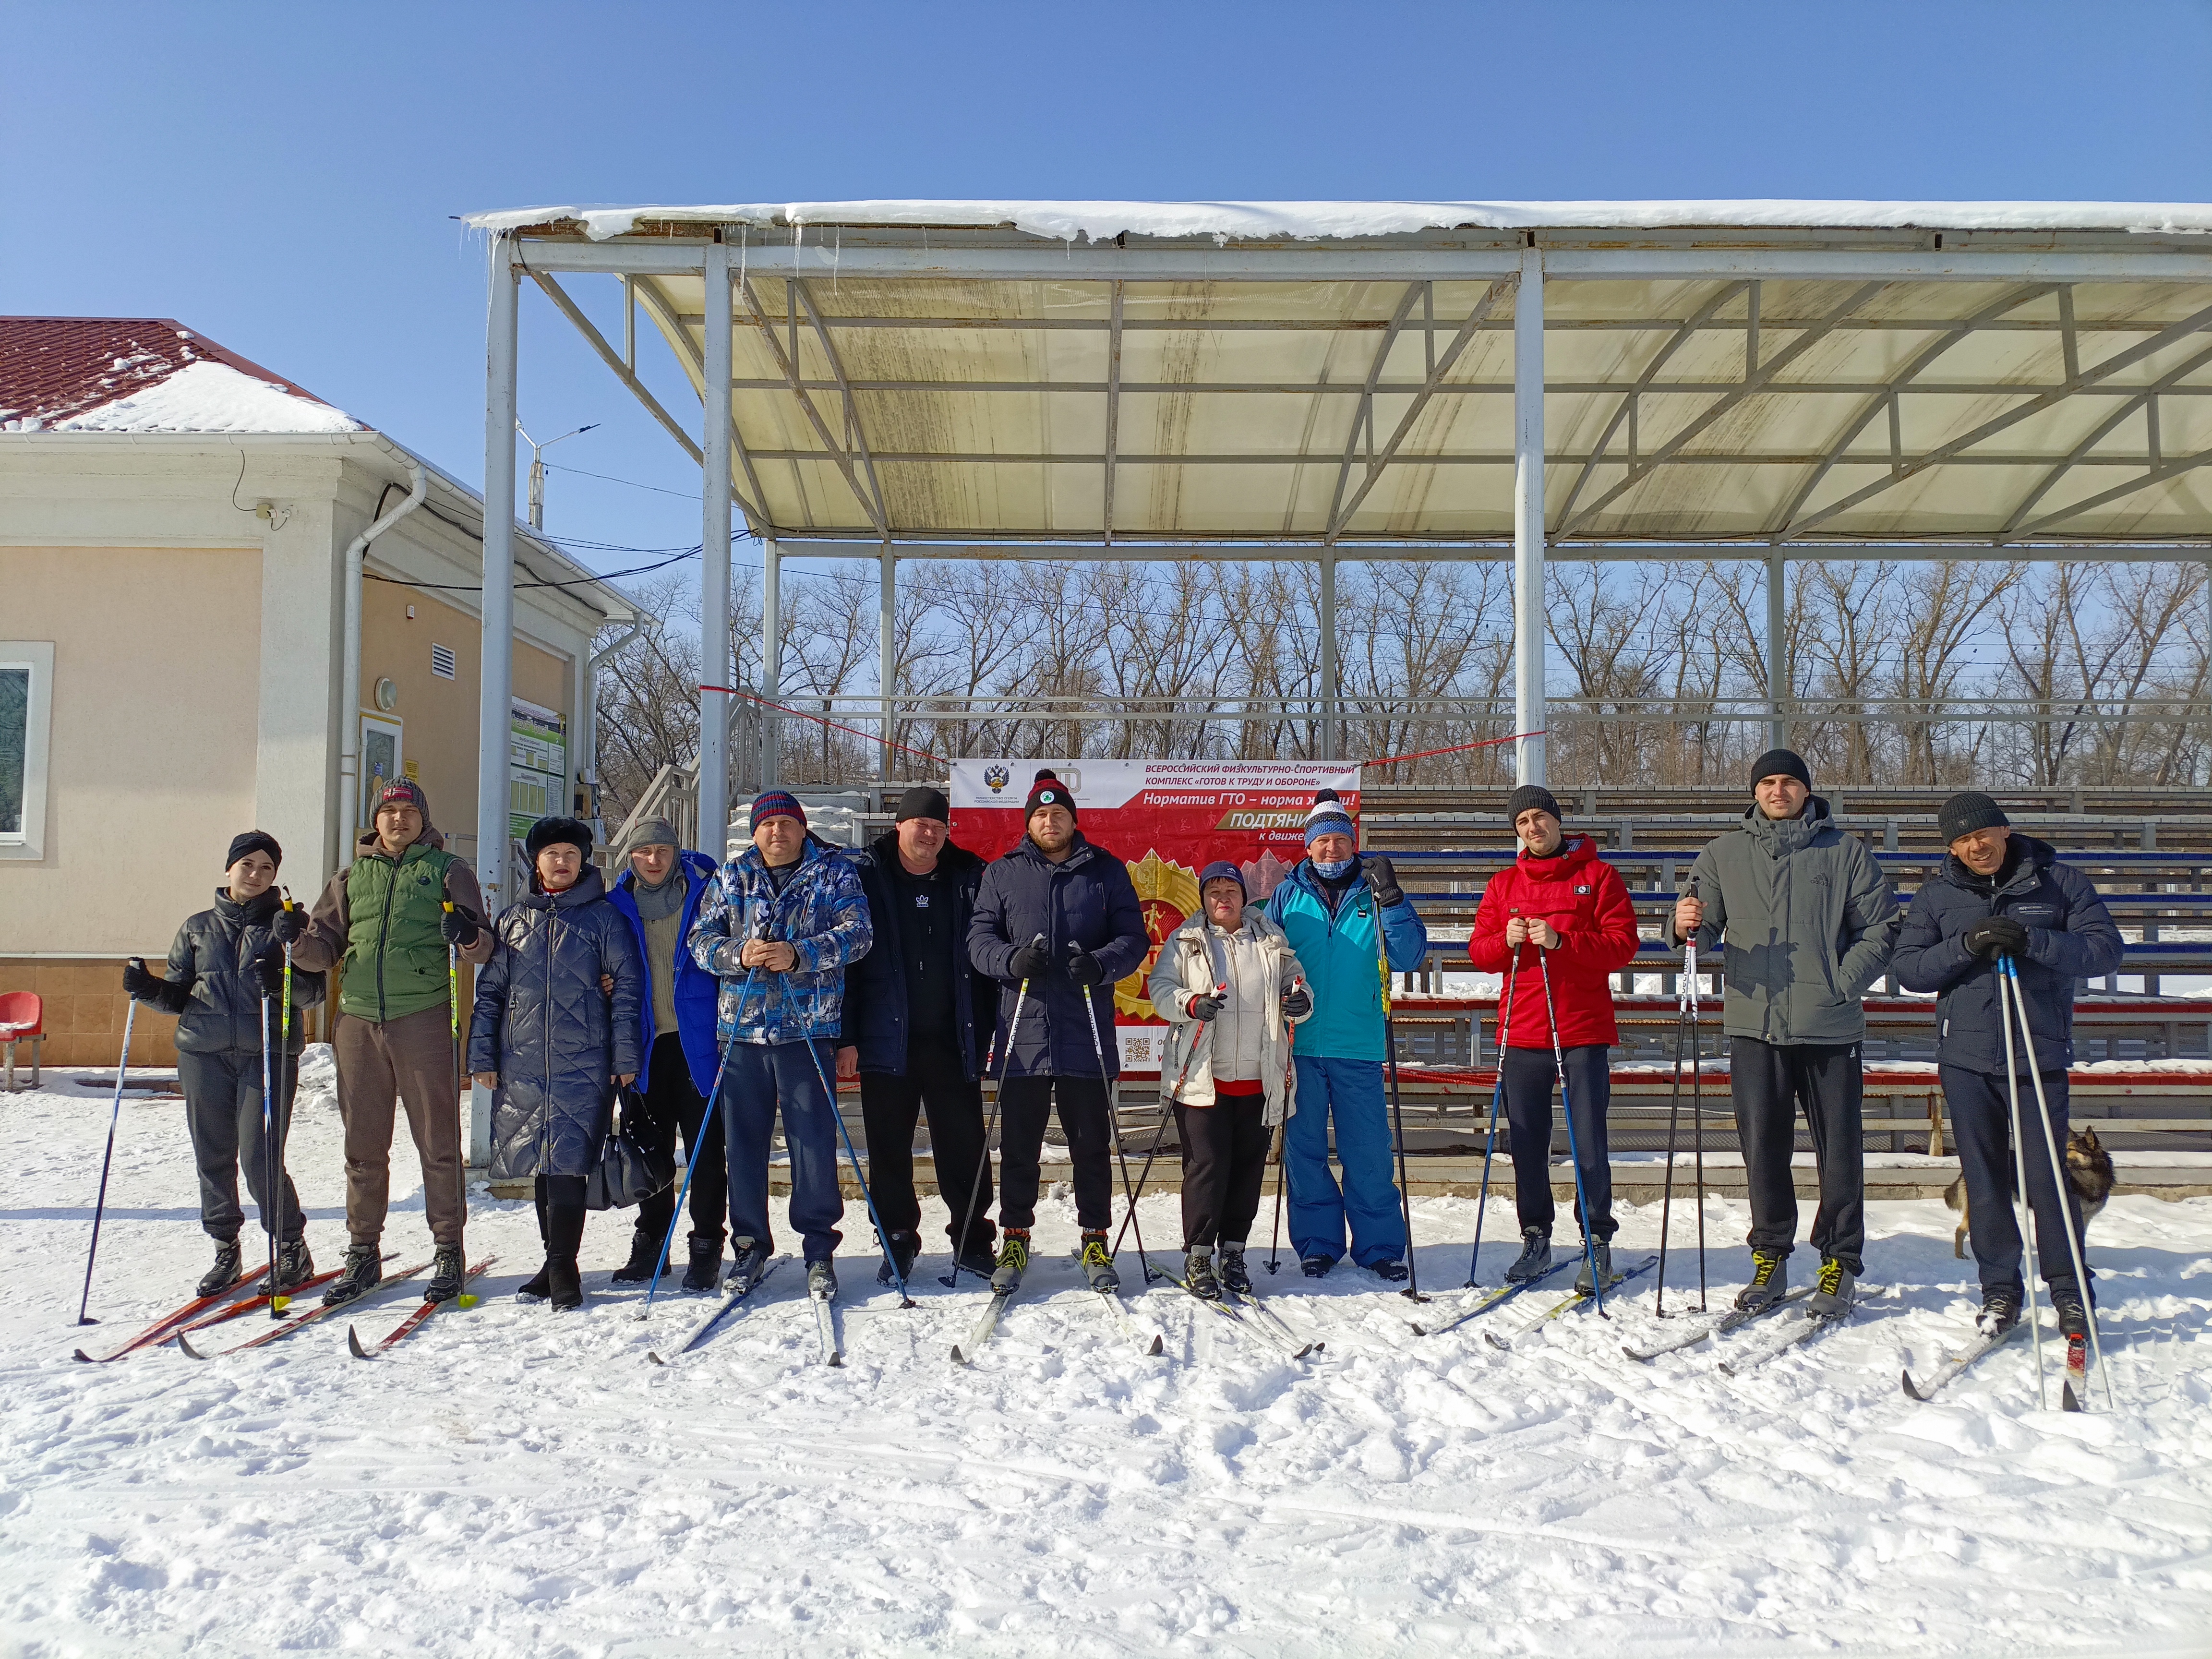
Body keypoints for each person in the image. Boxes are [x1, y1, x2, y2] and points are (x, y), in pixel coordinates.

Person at [1669, 749, 1899, 1319]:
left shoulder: (1845, 853)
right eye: (1768, 783)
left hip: (1830, 1027)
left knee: (1839, 1152)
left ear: (1806, 790)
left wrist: (1840, 984)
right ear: (1755, 792)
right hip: (1755, 1024)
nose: (1778, 791)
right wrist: (1681, 924)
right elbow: (1702, 922)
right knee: (1763, 1149)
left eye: (1789, 782)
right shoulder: (1722, 855)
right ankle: (1769, 1255)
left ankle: (1839, 1260)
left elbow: (1883, 928)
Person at [1893, 792, 2120, 1338]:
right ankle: (2000, 1290)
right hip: (1967, 1060)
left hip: (2037, 1054)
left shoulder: (2059, 883)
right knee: (1987, 1181)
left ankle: (2069, 1291)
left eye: (1985, 835)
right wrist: (1967, 944)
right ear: (1952, 846)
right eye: (1965, 840)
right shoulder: (1938, 894)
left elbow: (2105, 950)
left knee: (2050, 1181)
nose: (1977, 847)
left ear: (2005, 830)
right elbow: (1910, 969)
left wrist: (2035, 941)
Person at [282, 779, 493, 1307]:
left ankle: (448, 1248)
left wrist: (465, 933)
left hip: (423, 1016)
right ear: (376, 821)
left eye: (408, 812)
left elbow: (482, 947)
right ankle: (363, 1250)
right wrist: (294, 937)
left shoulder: (449, 872)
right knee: (363, 1147)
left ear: (424, 820)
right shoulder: (351, 877)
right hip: (357, 1021)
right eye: (389, 812)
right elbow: (321, 951)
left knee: (437, 1144)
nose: (398, 820)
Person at [966, 769, 1148, 1295]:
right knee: (1019, 1146)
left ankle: (1094, 1235)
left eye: (1060, 814)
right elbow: (979, 938)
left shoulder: (1106, 871)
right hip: (1022, 1035)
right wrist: (1010, 959)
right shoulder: (1003, 873)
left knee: (1091, 1145)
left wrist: (1100, 964)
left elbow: (1133, 937)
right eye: (1042, 815)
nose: (1051, 821)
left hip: (1084, 1031)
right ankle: (1016, 1234)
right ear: (1031, 822)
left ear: (1074, 820)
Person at [122, 830, 325, 1297]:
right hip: (202, 1055)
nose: (255, 875)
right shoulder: (196, 928)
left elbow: (314, 993)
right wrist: (146, 988)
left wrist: (278, 982)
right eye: (247, 865)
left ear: (276, 875)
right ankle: (225, 1249)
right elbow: (179, 995)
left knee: (259, 1157)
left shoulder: (290, 925)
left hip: (267, 1056)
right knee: (213, 1156)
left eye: (266, 867)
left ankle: (292, 1247)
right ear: (229, 869)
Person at [688, 790, 872, 1303]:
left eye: (787, 824)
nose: (777, 833)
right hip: (742, 1033)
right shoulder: (731, 876)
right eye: (768, 825)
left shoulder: (833, 873)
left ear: (801, 828)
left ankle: (819, 1249)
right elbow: (700, 941)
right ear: (755, 832)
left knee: (812, 1145)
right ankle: (749, 1245)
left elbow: (859, 935)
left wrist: (800, 954)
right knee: (743, 1145)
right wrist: (738, 952)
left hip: (805, 1030)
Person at [1467, 785, 1641, 1291]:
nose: (1532, 828)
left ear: (1559, 823)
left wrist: (1564, 940)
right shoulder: (1503, 884)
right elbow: (1480, 953)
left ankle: (1597, 1240)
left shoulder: (1598, 876)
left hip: (1580, 1031)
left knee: (1588, 1142)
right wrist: (1507, 940)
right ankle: (1536, 1235)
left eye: (1540, 818)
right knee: (1526, 1145)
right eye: (1522, 822)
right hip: (1522, 1031)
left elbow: (1623, 945)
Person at [468, 817, 644, 1310]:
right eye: (552, 854)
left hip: (583, 1060)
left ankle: (565, 1269)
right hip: (522, 1060)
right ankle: (552, 1263)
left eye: (570, 853)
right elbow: (491, 993)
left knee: (568, 1163)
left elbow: (627, 989)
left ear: (583, 860)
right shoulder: (511, 921)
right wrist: (482, 1054)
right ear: (537, 862)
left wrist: (625, 1055)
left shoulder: (604, 919)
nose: (561, 862)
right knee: (542, 1165)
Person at [1263, 788, 1429, 1281]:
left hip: (1358, 1044)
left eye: (1339, 839)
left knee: (1368, 1152)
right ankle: (1318, 1243)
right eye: (1322, 841)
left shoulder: (1376, 892)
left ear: (1352, 844)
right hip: (1301, 1045)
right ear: (1308, 846)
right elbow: (1266, 959)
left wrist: (1394, 901)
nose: (1330, 849)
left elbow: (1409, 956)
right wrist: (1280, 997)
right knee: (1305, 1151)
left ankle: (1379, 1245)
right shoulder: (1286, 894)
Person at [840, 785, 1000, 1284]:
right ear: (899, 826)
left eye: (937, 826)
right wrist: (846, 1037)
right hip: (886, 1041)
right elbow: (846, 964)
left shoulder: (970, 877)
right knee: (888, 1150)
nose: (927, 833)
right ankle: (898, 1241)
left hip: (955, 1038)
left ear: (947, 831)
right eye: (918, 824)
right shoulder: (867, 876)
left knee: (965, 1147)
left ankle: (972, 1238)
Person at [1146, 861, 1308, 1299]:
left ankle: (1233, 1251)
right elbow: (1160, 989)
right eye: (1214, 891)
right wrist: (1191, 1002)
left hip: (1260, 1079)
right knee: (1207, 1167)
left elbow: (1297, 984)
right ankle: (1199, 1254)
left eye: (1231, 891)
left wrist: (1299, 1001)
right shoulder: (1186, 942)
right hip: (1203, 1079)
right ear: (1203, 899)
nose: (1223, 899)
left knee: (1248, 1170)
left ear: (1243, 896)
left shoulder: (1270, 940)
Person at [606, 818, 729, 1290]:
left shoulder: (706, 892)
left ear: (676, 852)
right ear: (631, 858)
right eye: (643, 852)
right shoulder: (617, 905)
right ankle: (652, 1241)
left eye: (661, 850)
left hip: (698, 1041)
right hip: (645, 1045)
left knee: (705, 1153)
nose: (652, 860)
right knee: (648, 1152)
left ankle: (706, 1245)